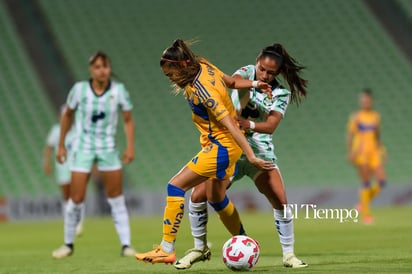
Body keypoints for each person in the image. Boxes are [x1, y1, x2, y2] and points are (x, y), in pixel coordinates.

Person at [135, 39, 275, 265]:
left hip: (221, 148)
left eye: (171, 75)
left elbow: (230, 123)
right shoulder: (204, 66)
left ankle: (166, 248)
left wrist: (251, 156)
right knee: (217, 198)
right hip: (226, 146)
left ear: (181, 67)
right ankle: (244, 241)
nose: (171, 80)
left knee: (175, 186)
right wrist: (255, 84)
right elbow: (230, 81)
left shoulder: (203, 90)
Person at [173, 43, 309, 270]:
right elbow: (232, 81)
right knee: (198, 196)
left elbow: (271, 125)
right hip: (231, 148)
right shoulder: (247, 73)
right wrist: (254, 84)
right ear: (257, 62)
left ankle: (289, 255)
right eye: (262, 69)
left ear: (278, 73)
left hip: (260, 152)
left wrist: (249, 124)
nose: (265, 74)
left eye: (271, 73)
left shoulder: (280, 93)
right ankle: (200, 248)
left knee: (280, 201)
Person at [52, 51, 136, 258]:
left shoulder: (119, 91)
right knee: (76, 198)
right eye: (97, 67)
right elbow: (67, 115)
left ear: (109, 68)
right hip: (83, 148)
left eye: (105, 66)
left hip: (108, 148)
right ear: (91, 69)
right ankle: (68, 244)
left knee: (116, 198)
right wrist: (61, 144)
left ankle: (126, 245)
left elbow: (127, 120)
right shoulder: (79, 90)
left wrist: (130, 147)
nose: (102, 70)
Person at [346, 89, 387, 224]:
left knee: (381, 181)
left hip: (374, 152)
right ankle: (366, 215)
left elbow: (377, 136)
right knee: (366, 182)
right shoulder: (356, 117)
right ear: (361, 101)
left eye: (367, 100)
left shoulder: (375, 116)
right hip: (361, 152)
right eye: (363, 100)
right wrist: (350, 152)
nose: (365, 102)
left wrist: (383, 150)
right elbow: (350, 136)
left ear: (371, 101)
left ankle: (362, 204)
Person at [43, 105, 84, 236]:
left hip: (77, 166)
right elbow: (49, 147)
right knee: (66, 196)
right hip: (62, 167)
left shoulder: (77, 130)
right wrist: (46, 163)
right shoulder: (56, 130)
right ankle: (69, 222)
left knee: (77, 195)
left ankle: (79, 223)